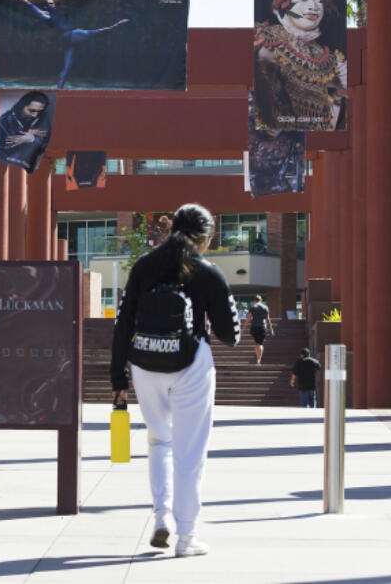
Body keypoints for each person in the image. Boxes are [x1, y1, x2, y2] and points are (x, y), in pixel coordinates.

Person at [110, 203, 240, 557]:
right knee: (190, 452)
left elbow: (123, 322)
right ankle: (186, 537)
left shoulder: (144, 266)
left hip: (144, 364)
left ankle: (161, 518)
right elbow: (232, 333)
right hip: (191, 365)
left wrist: (117, 373)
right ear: (206, 238)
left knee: (159, 442)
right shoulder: (208, 272)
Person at [253, 0, 348, 132]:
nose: (314, 7)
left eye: (319, 0)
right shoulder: (264, 38)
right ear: (283, 4)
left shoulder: (329, 58)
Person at [17, 0, 129, 88]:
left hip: (69, 40)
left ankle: (59, 89)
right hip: (71, 35)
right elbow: (29, 4)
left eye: (53, 3)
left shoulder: (53, 11)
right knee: (95, 32)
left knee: (67, 68)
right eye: (50, 4)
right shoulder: (45, 15)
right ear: (46, 6)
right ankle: (116, 26)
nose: (53, 5)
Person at [0, 91, 53, 174]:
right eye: (31, 111)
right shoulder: (4, 122)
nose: (35, 115)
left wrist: (32, 139)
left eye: (39, 112)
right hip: (7, 170)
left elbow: (47, 144)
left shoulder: (42, 117)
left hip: (31, 171)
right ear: (21, 106)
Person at [247, 295, 272, 364]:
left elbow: (248, 319)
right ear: (261, 300)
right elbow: (268, 319)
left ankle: (257, 358)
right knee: (260, 344)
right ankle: (259, 359)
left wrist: (243, 328)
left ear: (255, 300)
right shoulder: (265, 307)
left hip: (254, 327)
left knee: (256, 343)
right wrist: (271, 329)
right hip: (262, 327)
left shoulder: (252, 307)